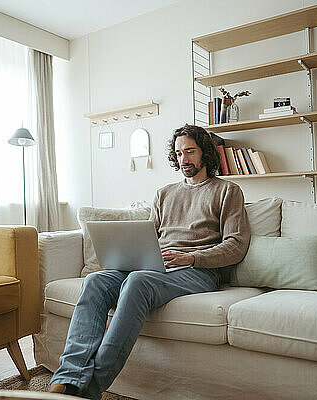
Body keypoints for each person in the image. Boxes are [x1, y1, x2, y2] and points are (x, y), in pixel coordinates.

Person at [48, 124, 251, 399]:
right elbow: (148, 236)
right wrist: (133, 254)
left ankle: (89, 389)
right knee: (95, 280)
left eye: (190, 152)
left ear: (205, 153)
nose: (184, 160)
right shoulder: (164, 193)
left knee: (138, 281)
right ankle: (67, 379)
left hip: (197, 270)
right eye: (179, 153)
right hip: (156, 266)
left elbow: (236, 246)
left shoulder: (227, 191)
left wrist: (192, 257)